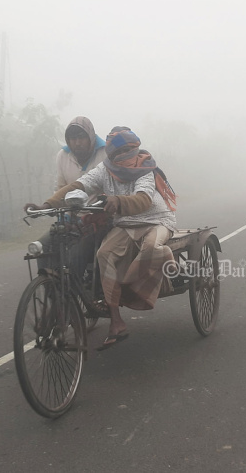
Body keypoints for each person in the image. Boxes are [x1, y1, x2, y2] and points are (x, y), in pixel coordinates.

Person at [33, 127, 177, 351]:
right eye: (119, 152)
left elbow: (143, 200)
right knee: (104, 254)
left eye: (129, 150)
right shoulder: (105, 169)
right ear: (110, 154)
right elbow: (78, 185)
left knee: (152, 248)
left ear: (137, 149)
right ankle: (116, 322)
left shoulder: (145, 168)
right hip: (125, 224)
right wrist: (48, 204)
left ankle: (132, 291)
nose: (124, 156)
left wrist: (118, 201)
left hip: (156, 221)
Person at [24, 117, 107, 277]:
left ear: (91, 137)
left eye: (81, 137)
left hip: (97, 221)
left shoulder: (105, 154)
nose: (77, 143)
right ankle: (53, 293)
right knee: (42, 248)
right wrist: (45, 207)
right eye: (72, 138)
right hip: (71, 220)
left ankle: (74, 294)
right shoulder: (62, 156)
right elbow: (62, 190)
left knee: (76, 255)